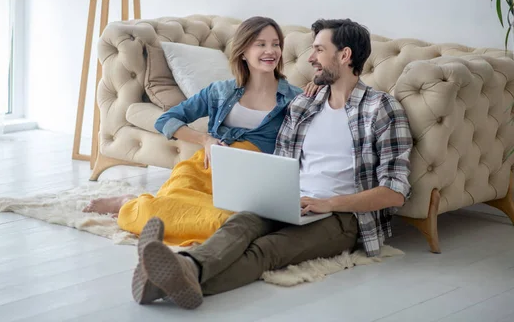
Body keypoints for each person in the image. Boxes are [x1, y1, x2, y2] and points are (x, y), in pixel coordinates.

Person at [132, 18, 414, 310]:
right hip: (290, 199)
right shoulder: (304, 105)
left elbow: (395, 191)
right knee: (238, 225)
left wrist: (330, 203)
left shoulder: (381, 108)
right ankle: (181, 271)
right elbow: (280, 161)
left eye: (318, 50)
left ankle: (175, 280)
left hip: (342, 217)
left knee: (267, 250)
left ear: (344, 56)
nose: (310, 58)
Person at [83, 16, 316, 271]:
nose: (270, 51)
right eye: (260, 44)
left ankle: (137, 206)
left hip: (249, 181)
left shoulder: (294, 98)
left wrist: (321, 90)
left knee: (228, 222)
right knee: (177, 202)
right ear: (243, 52)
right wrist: (204, 139)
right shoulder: (220, 91)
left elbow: (317, 137)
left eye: (275, 44)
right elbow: (166, 120)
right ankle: (128, 204)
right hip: (204, 168)